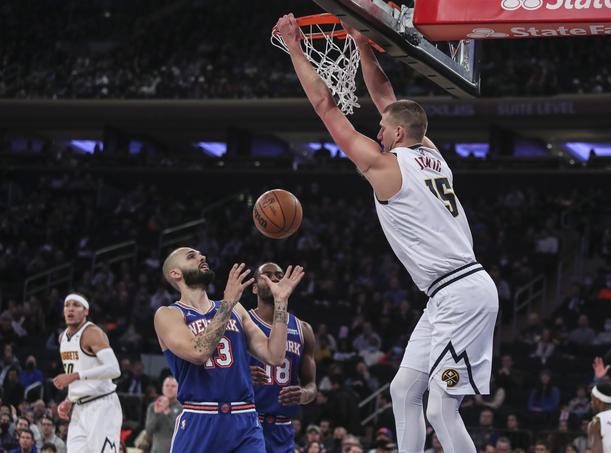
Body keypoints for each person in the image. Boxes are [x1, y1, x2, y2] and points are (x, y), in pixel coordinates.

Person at [275, 14, 499, 453]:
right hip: (447, 294)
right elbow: (387, 98)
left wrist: (295, 48)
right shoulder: (430, 153)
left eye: (382, 129)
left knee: (440, 409)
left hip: (463, 295)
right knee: (402, 392)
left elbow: (327, 108)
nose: (376, 132)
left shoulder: (385, 167)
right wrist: (360, 44)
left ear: (397, 134)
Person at [153, 248, 304, 452]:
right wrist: (228, 302)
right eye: (191, 256)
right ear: (175, 273)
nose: (202, 257)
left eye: (201, 254)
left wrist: (281, 303)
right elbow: (198, 352)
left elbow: (275, 356)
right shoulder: (168, 314)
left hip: (245, 421)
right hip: (200, 418)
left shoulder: (236, 309)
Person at [248, 262, 317, 453]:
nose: (274, 279)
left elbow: (311, 385)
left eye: (278, 275)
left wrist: (304, 395)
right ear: (254, 288)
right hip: (247, 422)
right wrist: (240, 374)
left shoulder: (303, 329)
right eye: (266, 275)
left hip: (283, 428)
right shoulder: (242, 323)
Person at [53, 293, 122, 452]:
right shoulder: (62, 337)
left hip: (102, 405)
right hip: (79, 407)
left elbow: (114, 369)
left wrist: (75, 376)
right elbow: (80, 367)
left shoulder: (92, 333)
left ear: (86, 311)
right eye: (67, 305)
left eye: (76, 305)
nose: (70, 309)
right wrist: (69, 399)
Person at [145, 376, 182, 453]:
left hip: (176, 450)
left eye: (173, 386)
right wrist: (157, 414)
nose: (169, 388)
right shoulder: (153, 406)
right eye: (167, 385)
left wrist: (167, 413)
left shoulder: (182, 407)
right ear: (162, 388)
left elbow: (179, 431)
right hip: (157, 450)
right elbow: (149, 430)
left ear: (178, 388)